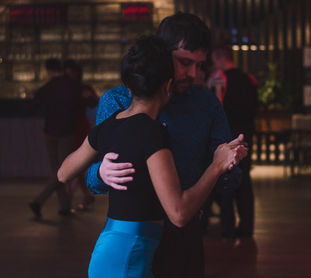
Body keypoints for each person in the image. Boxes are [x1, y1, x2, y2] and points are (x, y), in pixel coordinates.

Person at [58, 35, 246, 278]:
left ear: (128, 85)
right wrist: (217, 166)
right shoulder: (153, 132)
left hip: (110, 252)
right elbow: (178, 214)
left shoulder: (109, 126)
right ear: (167, 85)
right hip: (128, 259)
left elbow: (63, 173)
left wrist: (100, 168)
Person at [210, 45, 259, 238]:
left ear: (220, 58)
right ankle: (247, 227)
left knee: (227, 182)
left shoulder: (221, 79)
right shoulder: (250, 79)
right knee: (245, 182)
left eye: (214, 61)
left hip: (229, 137)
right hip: (246, 136)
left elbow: (218, 109)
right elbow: (255, 108)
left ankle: (228, 228)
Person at [29, 58, 81, 218]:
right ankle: (41, 202)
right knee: (61, 173)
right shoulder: (71, 85)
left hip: (49, 132)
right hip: (66, 132)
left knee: (56, 172)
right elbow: (80, 106)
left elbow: (33, 104)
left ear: (49, 70)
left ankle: (62, 206)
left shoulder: (48, 87)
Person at [63, 59, 98, 210]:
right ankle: (85, 195)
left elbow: (94, 101)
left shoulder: (77, 88)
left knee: (78, 164)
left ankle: (77, 197)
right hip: (73, 128)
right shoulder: (77, 88)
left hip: (77, 128)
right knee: (78, 164)